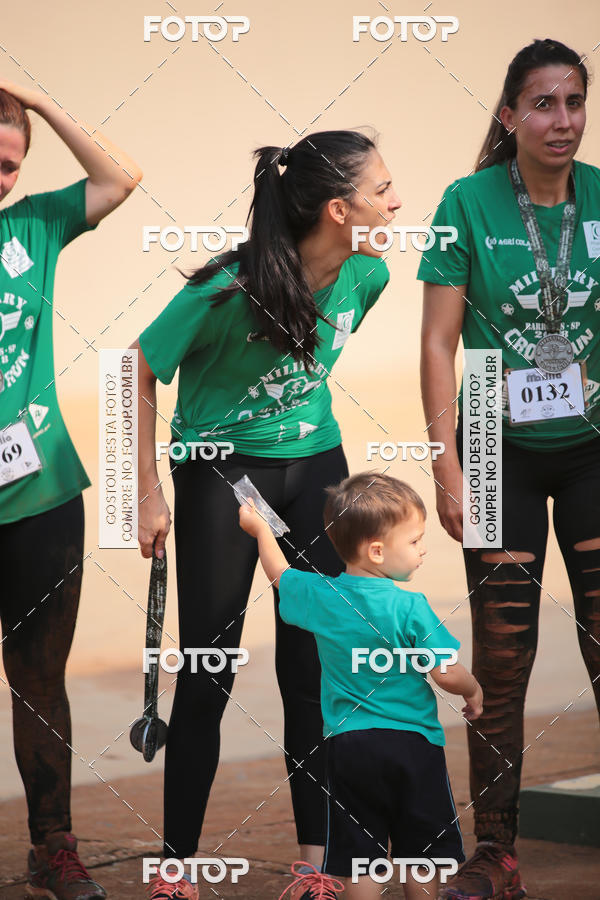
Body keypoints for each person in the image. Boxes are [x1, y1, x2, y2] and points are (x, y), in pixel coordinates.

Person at [132, 131, 400, 899]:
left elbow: (308, 375)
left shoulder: (368, 275)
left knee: (310, 669)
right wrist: (146, 492)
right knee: (208, 670)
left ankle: (315, 868)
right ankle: (176, 868)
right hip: (224, 472)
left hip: (315, 468)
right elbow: (137, 368)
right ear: (339, 208)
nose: (398, 201)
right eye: (384, 189)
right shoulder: (227, 286)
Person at [418, 38, 600, 899]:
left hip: (595, 441)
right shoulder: (467, 202)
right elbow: (437, 341)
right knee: (501, 659)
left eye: (573, 102)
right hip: (492, 445)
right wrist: (446, 459)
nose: (560, 121)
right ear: (509, 114)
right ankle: (494, 852)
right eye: (543, 104)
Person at [0, 81, 142, 898]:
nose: (4, 177)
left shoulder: (35, 224)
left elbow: (120, 178)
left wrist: (48, 106)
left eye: (12, 164)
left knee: (38, 677)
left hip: (40, 491)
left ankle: (52, 843)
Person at [239, 472, 483, 900]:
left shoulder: (324, 596)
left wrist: (261, 529)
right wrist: (473, 689)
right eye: (414, 540)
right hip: (414, 745)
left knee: (359, 854)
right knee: (423, 852)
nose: (423, 549)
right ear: (376, 550)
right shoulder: (411, 606)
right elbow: (445, 672)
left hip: (348, 747)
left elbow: (280, 574)